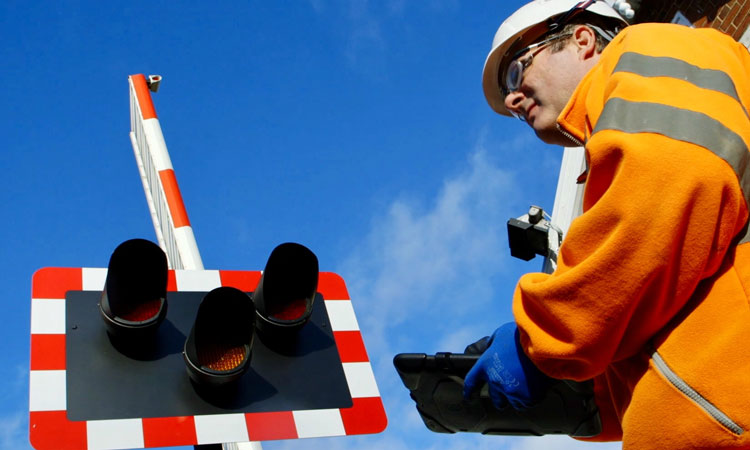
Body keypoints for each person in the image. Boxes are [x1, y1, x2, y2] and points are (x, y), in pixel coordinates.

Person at [462, 0, 750, 448]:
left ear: (582, 40)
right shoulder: (613, 152)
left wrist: (541, 343)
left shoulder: (649, 46)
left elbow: (674, 178)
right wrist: (570, 394)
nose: (514, 100)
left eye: (517, 74)